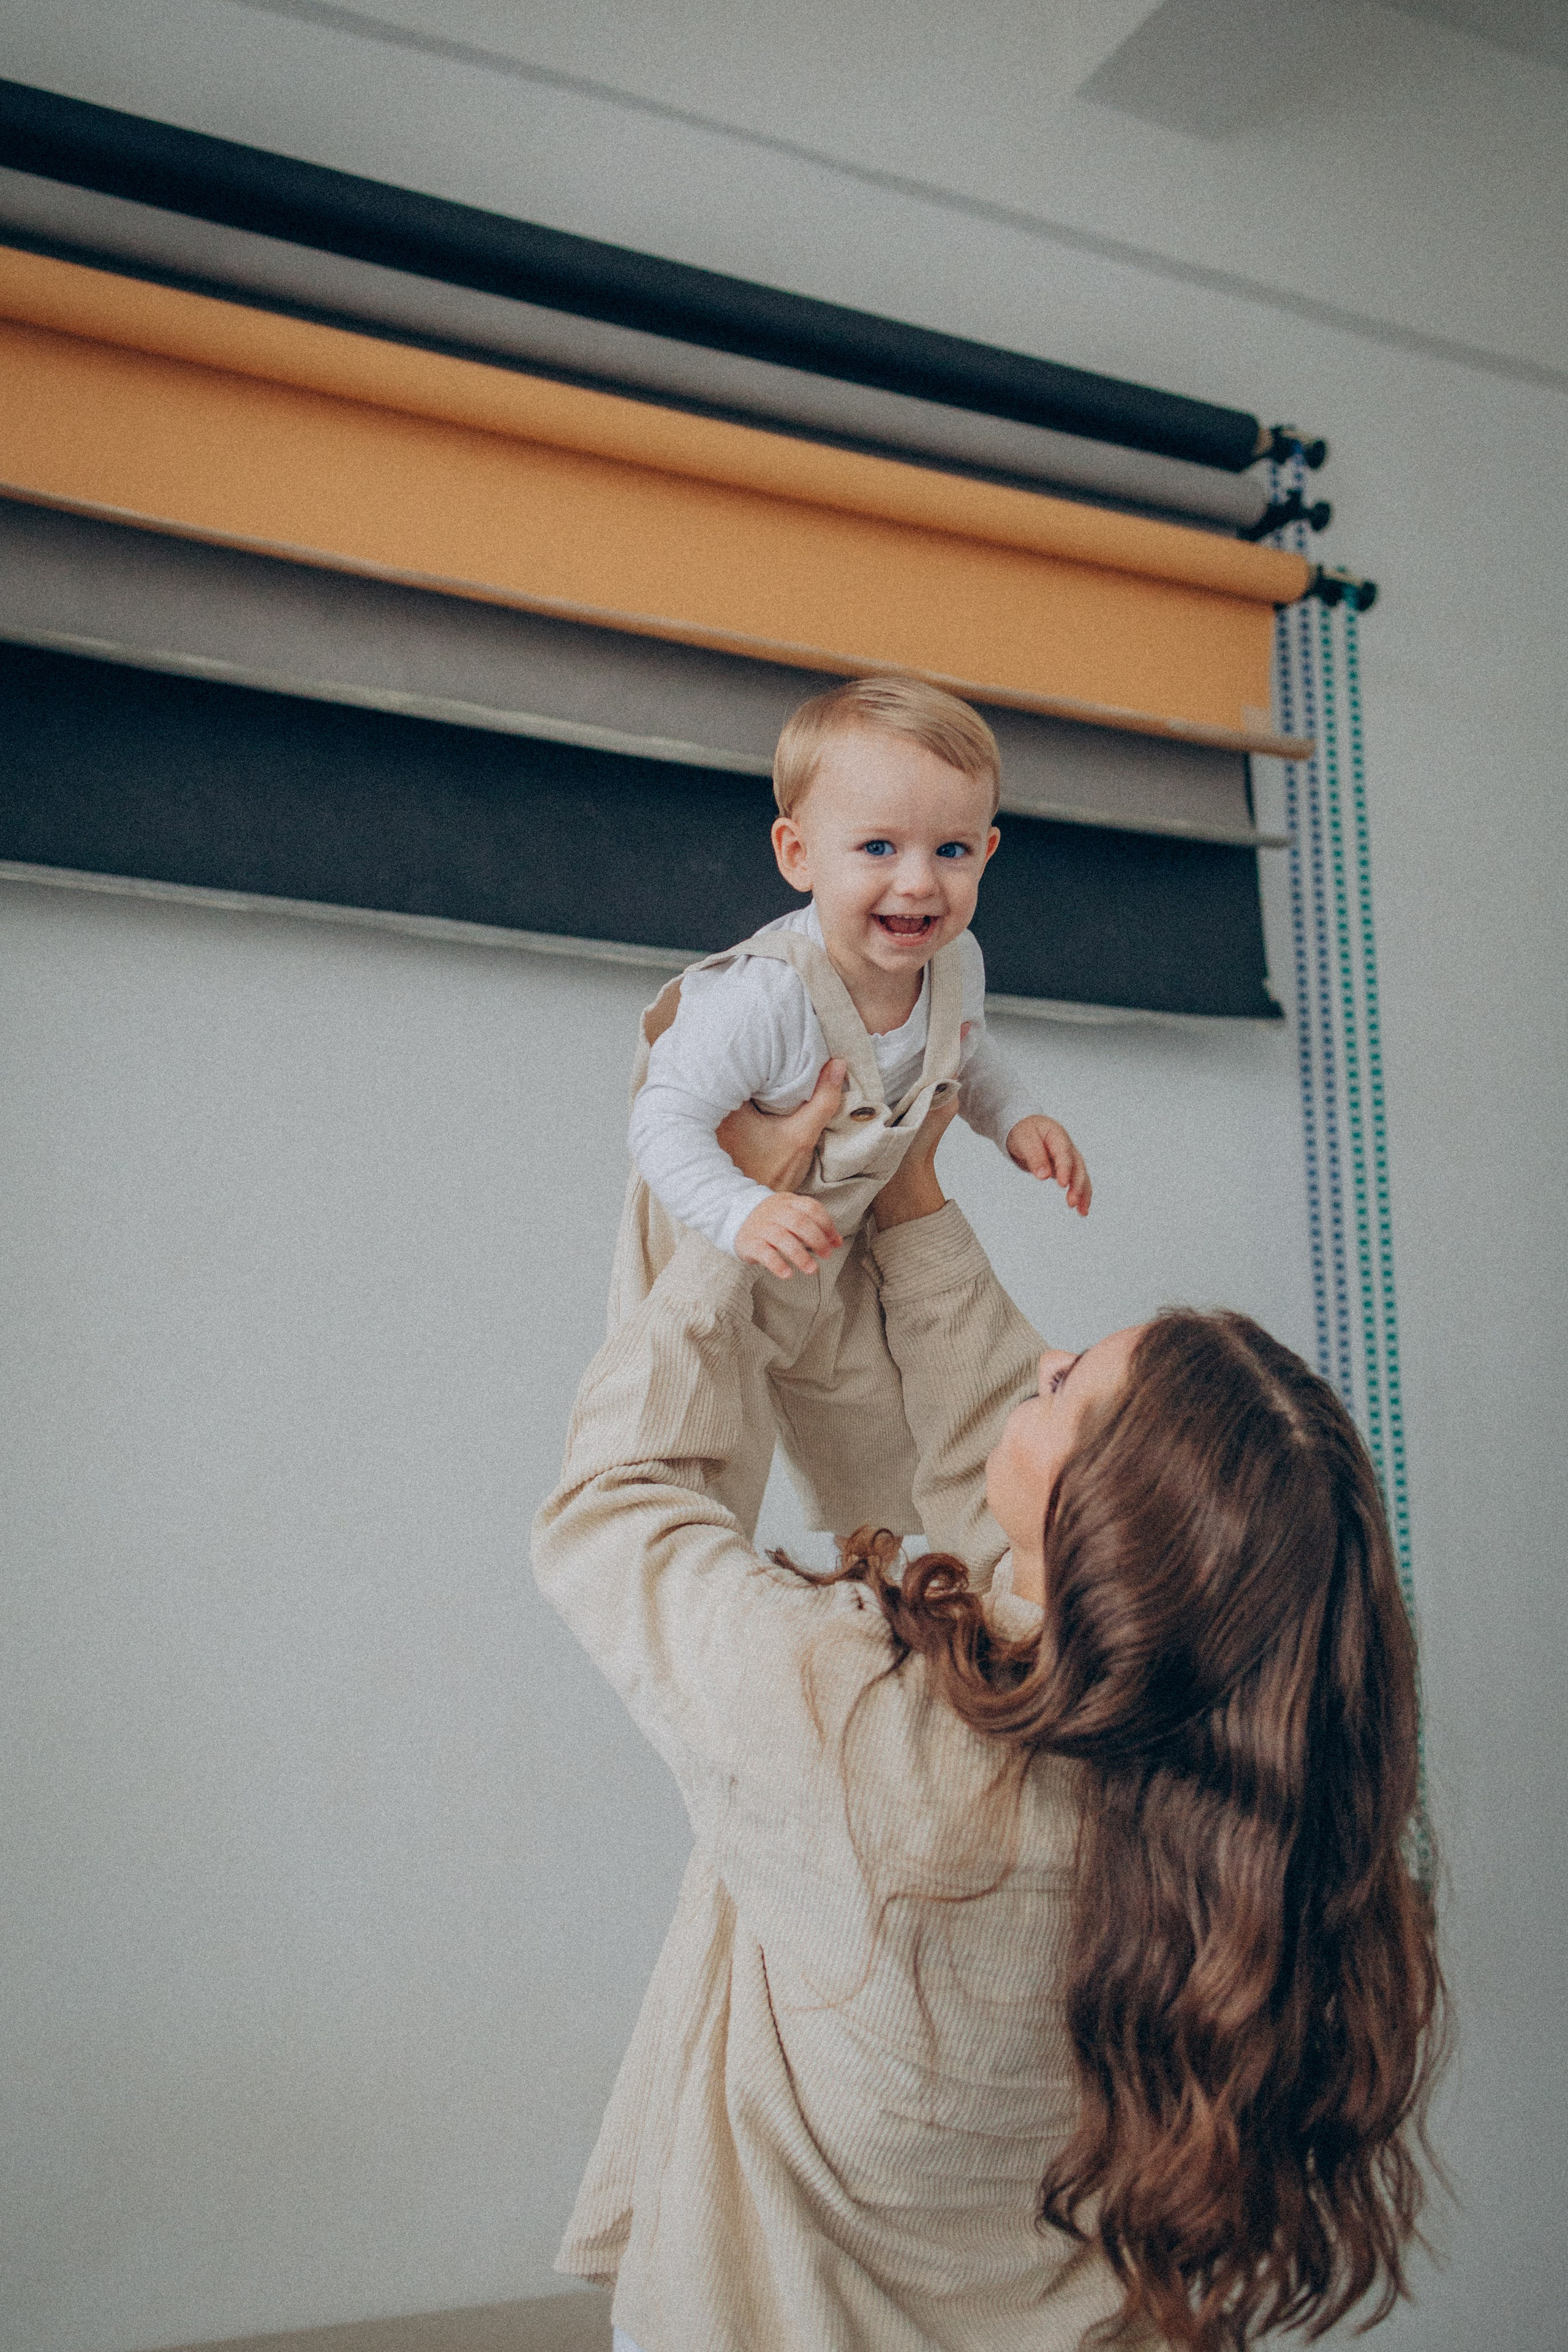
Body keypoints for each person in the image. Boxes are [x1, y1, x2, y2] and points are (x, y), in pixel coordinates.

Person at [536, 1076, 1444, 2352]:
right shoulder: (1273, 1821)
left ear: (1103, 1531)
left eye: (1064, 1383)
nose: (1039, 1359)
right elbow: (1008, 1506)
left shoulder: (859, 1729)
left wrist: (720, 1237)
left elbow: (618, 1511)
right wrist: (912, 1208)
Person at [609, 673, 1090, 1547]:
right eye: (877, 848)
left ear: (987, 851)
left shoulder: (956, 962)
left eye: (951, 851)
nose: (919, 883)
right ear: (798, 855)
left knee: (876, 1428)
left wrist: (1016, 1117)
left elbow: (967, 1049)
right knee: (709, 1442)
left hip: (838, 1244)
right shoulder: (765, 999)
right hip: (715, 1232)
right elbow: (661, 1123)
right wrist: (739, 1211)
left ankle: (877, 1574)